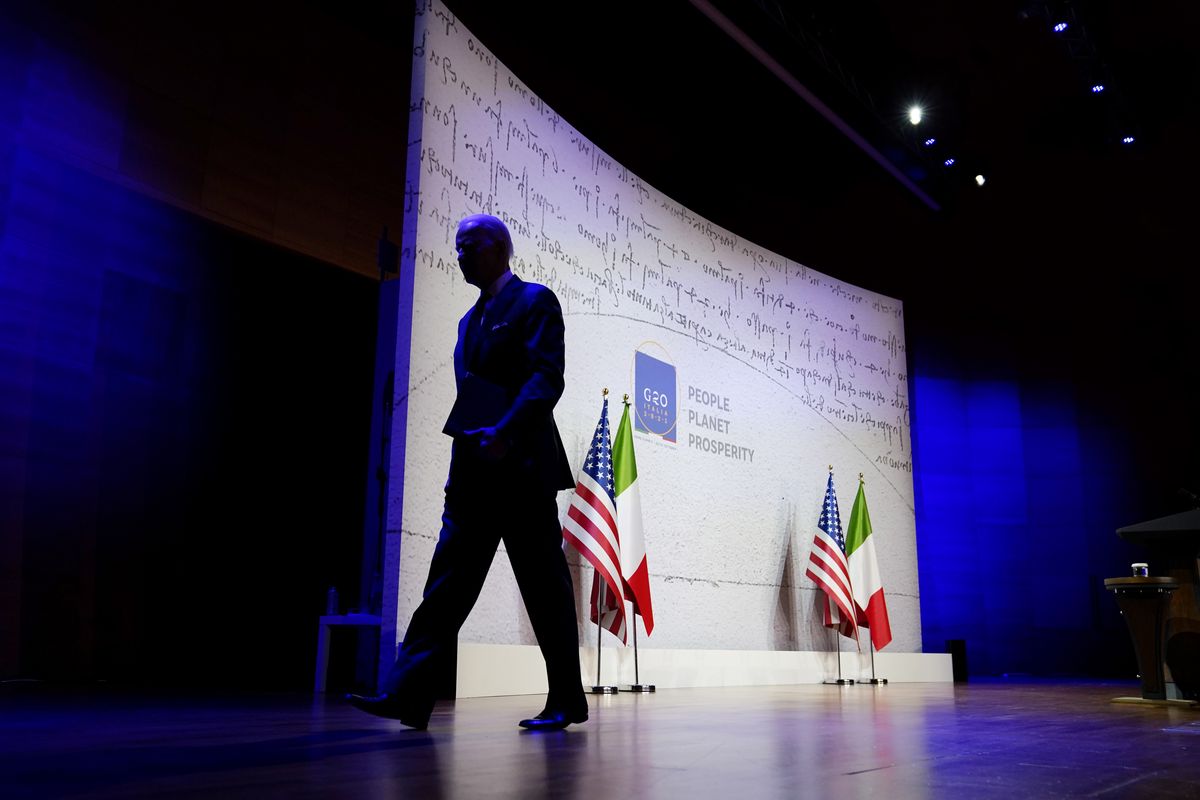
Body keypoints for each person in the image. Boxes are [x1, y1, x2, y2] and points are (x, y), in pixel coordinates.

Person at [348, 214, 587, 731]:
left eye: (468, 247)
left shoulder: (535, 301)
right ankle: (406, 696)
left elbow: (547, 379)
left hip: (521, 473)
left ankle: (567, 699)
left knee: (544, 592)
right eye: (456, 249)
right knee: (444, 588)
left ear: (499, 248)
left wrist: (504, 432)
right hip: (473, 478)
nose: (458, 257)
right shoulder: (467, 321)